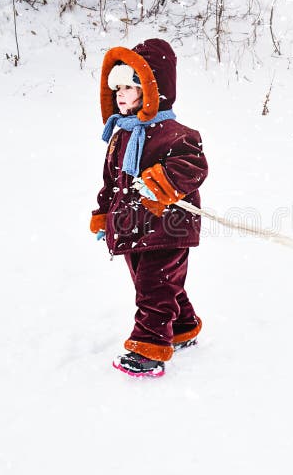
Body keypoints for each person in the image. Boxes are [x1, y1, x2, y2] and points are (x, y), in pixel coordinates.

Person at [90, 39, 208, 378]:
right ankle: (183, 325)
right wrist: (103, 214)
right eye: (118, 88)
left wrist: (160, 181)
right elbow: (111, 180)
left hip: (169, 227)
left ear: (153, 89)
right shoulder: (122, 133)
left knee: (154, 289)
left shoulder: (176, 134)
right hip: (131, 226)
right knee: (161, 285)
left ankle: (150, 347)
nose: (121, 94)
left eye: (130, 86)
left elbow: (194, 166)